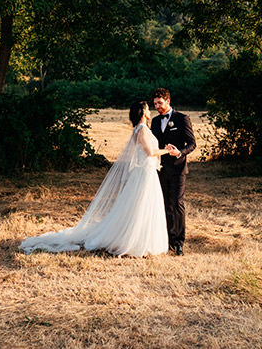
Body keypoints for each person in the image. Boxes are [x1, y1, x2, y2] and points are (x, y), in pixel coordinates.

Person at [19, 100, 175, 257]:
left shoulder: (140, 129)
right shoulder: (141, 129)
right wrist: (166, 151)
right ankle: (135, 242)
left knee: (141, 207)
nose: (150, 111)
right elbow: (149, 152)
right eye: (148, 108)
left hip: (146, 173)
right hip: (144, 174)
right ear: (142, 112)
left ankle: (140, 240)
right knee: (141, 207)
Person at [150, 88, 196, 255]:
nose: (157, 106)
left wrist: (180, 152)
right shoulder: (155, 122)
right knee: (165, 204)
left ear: (168, 101)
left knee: (177, 203)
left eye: (160, 103)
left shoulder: (182, 118)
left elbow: (192, 143)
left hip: (177, 168)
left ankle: (179, 243)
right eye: (155, 104)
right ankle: (167, 239)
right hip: (160, 169)